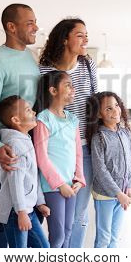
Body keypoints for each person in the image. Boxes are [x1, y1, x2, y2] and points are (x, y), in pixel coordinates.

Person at [0, 3, 40, 248]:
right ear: (11, 27)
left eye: (35, 21)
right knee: (3, 207)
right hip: (6, 146)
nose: (35, 27)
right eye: (30, 23)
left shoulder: (29, 56)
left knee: (24, 202)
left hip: (26, 141)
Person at [39, 18, 98, 247]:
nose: (86, 39)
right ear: (65, 39)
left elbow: (95, 98)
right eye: (80, 35)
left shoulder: (88, 65)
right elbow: (41, 107)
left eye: (86, 35)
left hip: (84, 146)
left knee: (79, 213)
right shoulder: (44, 69)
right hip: (55, 150)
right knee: (56, 215)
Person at [33, 71, 86, 248]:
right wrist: (59, 184)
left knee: (68, 230)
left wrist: (79, 179)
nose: (73, 89)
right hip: (53, 187)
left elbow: (78, 153)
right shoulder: (43, 119)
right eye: (68, 85)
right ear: (53, 91)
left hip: (71, 185)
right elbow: (41, 157)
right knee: (58, 235)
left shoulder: (73, 120)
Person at [0, 95, 50, 248]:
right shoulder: (16, 145)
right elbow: (15, 183)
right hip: (16, 212)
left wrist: (40, 202)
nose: (33, 112)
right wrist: (21, 212)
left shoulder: (25, 139)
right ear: (16, 120)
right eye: (28, 110)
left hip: (27, 209)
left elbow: (33, 176)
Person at [85, 92, 131, 248]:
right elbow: (100, 170)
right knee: (104, 237)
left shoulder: (125, 133)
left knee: (115, 237)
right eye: (108, 109)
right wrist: (118, 193)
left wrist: (129, 187)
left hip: (123, 192)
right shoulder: (99, 137)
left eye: (116, 105)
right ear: (99, 115)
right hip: (105, 195)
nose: (115, 110)